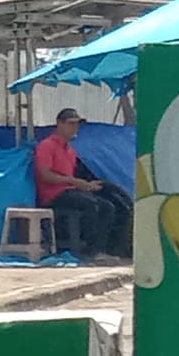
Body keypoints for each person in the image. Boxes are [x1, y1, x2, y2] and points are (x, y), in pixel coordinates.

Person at [29, 109, 127, 259]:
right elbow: (45, 175)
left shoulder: (70, 150)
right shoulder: (46, 146)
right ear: (59, 124)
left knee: (108, 206)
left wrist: (87, 185)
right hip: (52, 195)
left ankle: (101, 249)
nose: (74, 128)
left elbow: (72, 177)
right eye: (70, 124)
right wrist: (72, 181)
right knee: (90, 205)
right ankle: (88, 250)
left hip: (70, 190)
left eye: (76, 125)